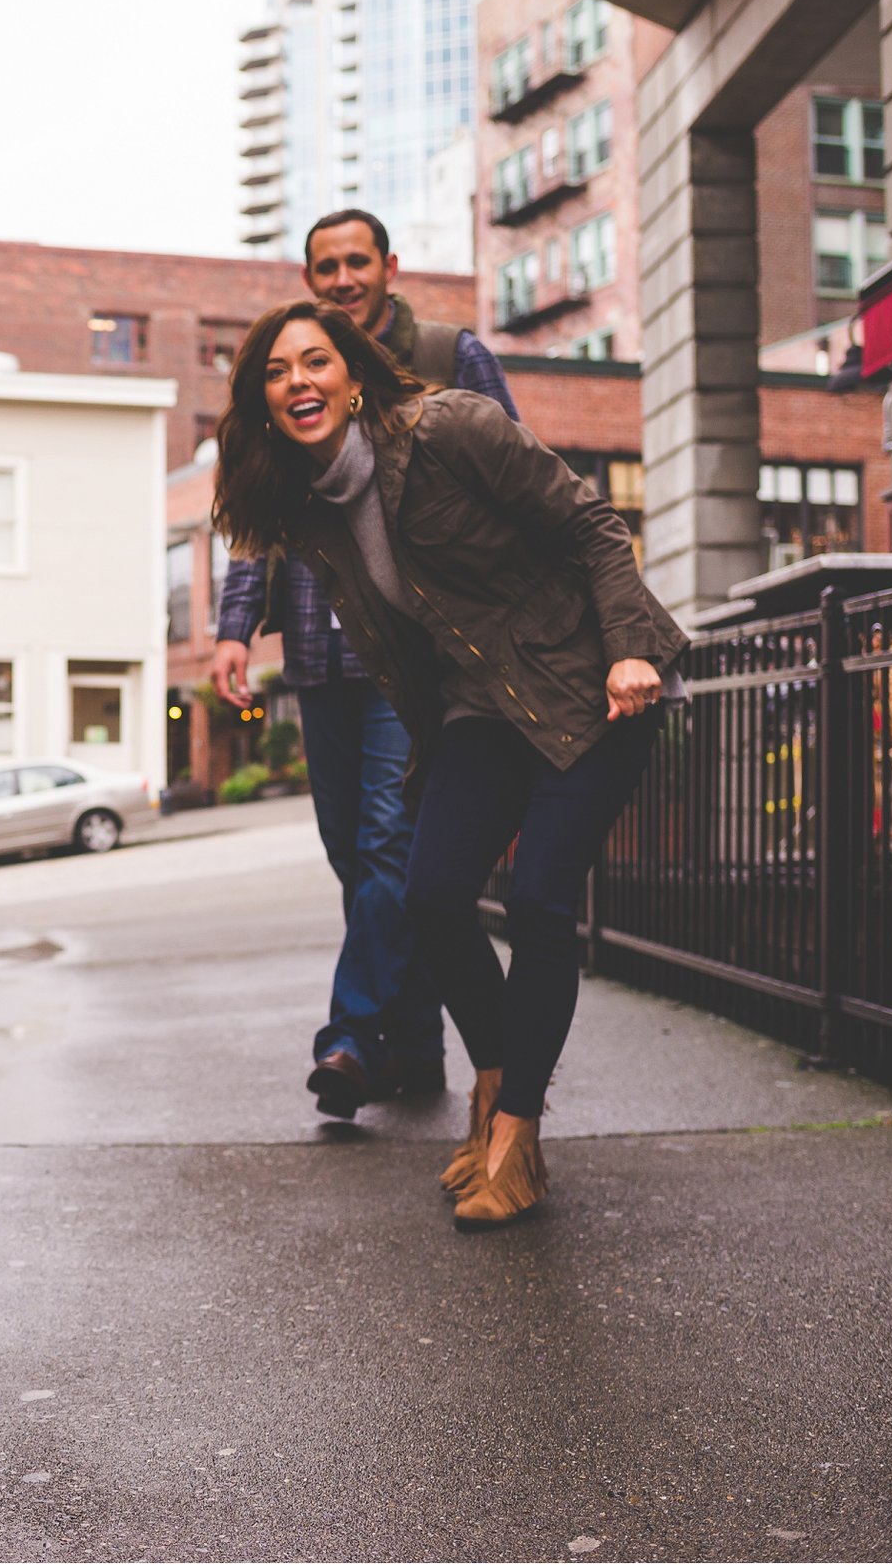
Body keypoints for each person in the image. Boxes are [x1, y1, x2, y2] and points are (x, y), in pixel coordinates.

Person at [214, 301, 687, 1231]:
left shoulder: (450, 427)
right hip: (480, 710)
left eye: (318, 361)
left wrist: (631, 649)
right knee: (428, 899)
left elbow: (592, 525)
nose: (300, 381)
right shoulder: (307, 510)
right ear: (263, 403)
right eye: (278, 372)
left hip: (592, 685)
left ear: (355, 375)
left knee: (544, 902)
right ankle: (500, 1079)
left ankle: (515, 1132)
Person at [210, 207, 518, 1121]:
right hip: (314, 644)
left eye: (357, 261)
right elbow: (256, 506)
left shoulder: (447, 352)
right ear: (309, 279)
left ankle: (348, 1036)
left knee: (390, 841)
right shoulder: (289, 367)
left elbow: (507, 471)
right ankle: (416, 1045)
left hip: (408, 650)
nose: (343, 278)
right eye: (325, 266)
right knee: (356, 857)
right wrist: (236, 626)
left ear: (389, 265)